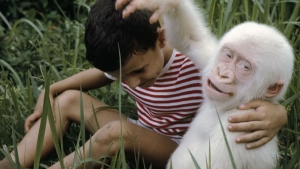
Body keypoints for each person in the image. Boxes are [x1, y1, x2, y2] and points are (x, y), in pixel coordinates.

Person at [0, 0, 287, 168]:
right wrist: (53, 89)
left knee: (116, 132)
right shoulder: (128, 64)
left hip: (180, 148)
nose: (132, 84)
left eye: (138, 72)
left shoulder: (197, 63)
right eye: (122, 76)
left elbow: (244, 89)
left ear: (161, 39)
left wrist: (277, 113)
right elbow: (101, 74)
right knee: (68, 99)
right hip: (144, 129)